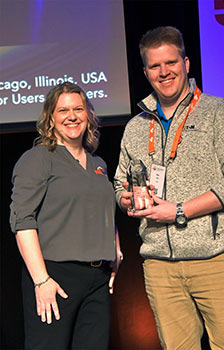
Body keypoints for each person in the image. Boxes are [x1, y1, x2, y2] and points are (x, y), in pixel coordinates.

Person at [114, 26, 224, 350]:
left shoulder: (218, 111)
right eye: (155, 66)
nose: (164, 72)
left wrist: (179, 210)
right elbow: (119, 184)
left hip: (217, 258)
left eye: (170, 62)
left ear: (186, 64)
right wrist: (127, 200)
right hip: (160, 263)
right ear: (146, 72)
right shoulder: (136, 127)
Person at [10, 82, 123, 350]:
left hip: (97, 280)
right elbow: (22, 221)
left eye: (78, 109)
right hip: (55, 277)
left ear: (88, 115)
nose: (71, 116)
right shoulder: (37, 158)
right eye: (63, 110)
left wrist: (116, 249)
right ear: (51, 118)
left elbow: (104, 210)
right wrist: (42, 280)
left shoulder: (98, 163)